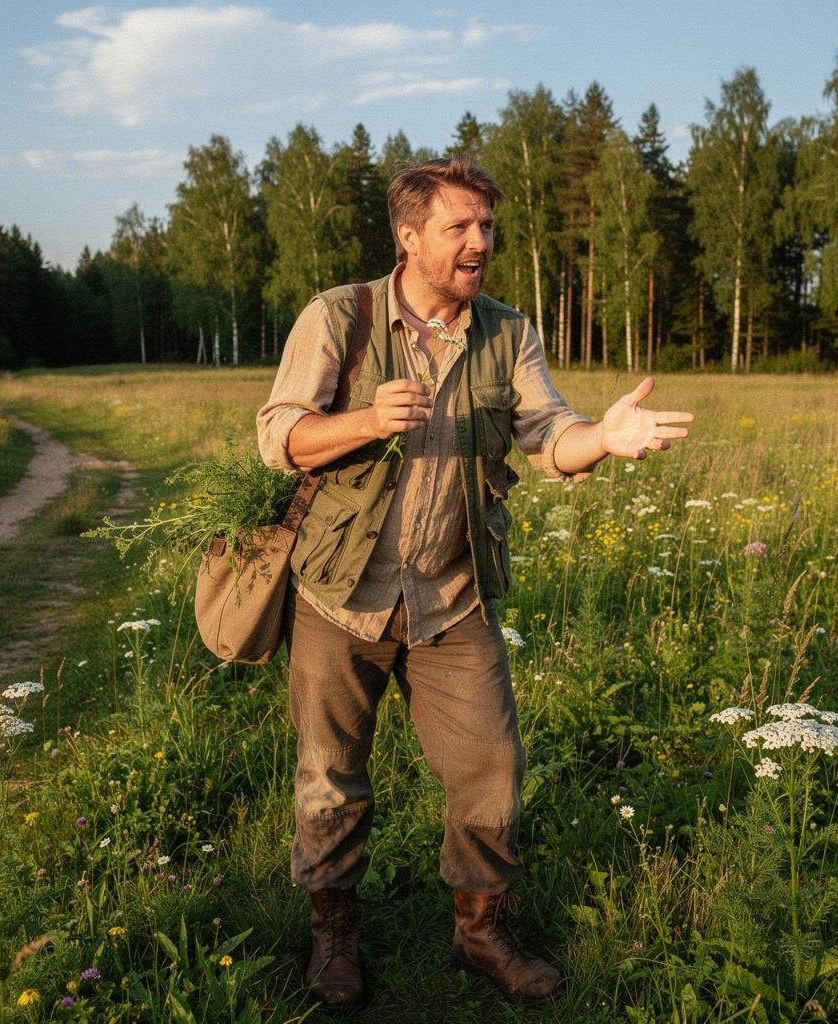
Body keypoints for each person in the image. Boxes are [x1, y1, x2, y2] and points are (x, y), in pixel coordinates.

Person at [257, 156, 693, 1009]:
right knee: (330, 774)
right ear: (409, 236)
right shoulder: (338, 318)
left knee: (492, 765)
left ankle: (480, 930)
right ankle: (334, 931)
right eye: (459, 226)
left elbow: (550, 434)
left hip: (452, 598)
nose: (480, 242)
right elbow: (278, 435)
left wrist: (603, 438)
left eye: (487, 226)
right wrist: (364, 422)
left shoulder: (507, 332)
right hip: (338, 597)